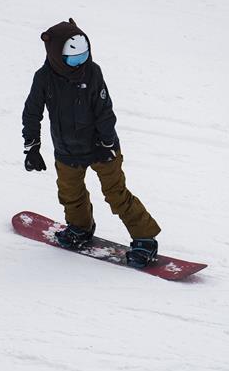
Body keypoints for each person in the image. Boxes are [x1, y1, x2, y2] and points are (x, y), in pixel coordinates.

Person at [21, 18, 161, 268]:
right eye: (74, 59)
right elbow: (32, 113)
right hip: (67, 149)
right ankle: (80, 227)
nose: (81, 63)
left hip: (101, 147)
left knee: (116, 193)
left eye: (84, 56)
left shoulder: (92, 72)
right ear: (57, 55)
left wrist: (107, 142)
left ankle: (145, 239)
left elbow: (104, 110)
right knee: (70, 193)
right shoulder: (43, 78)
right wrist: (32, 147)